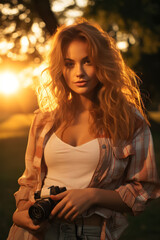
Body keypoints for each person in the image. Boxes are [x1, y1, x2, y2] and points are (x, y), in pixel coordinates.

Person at [7, 18, 160, 240]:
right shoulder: (44, 120)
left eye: (87, 61)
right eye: (69, 63)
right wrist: (20, 214)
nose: (79, 72)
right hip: (33, 233)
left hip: (90, 233)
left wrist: (92, 196)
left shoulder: (129, 120)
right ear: (61, 68)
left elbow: (144, 190)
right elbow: (29, 182)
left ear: (103, 63)